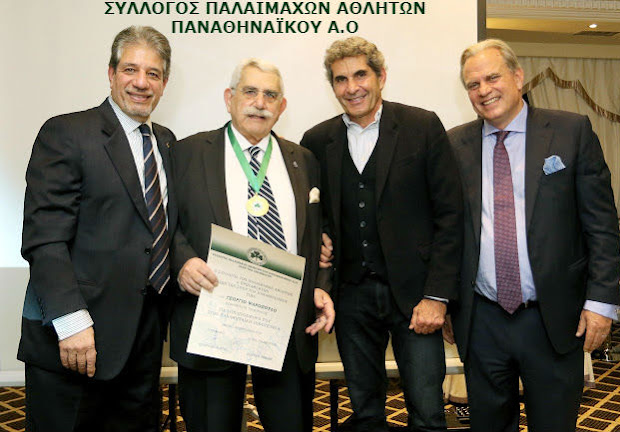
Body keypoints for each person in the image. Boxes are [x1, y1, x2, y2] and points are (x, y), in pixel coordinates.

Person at [446, 38, 620, 432]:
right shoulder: (455, 144)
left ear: (517, 76)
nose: (484, 90)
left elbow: (601, 224)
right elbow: (446, 230)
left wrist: (601, 302)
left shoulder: (570, 131)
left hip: (553, 316)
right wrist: (444, 298)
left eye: (492, 77)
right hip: (482, 319)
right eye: (473, 84)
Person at [301, 37, 463, 432]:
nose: (351, 87)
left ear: (381, 77)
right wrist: (321, 243)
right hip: (351, 298)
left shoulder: (422, 127)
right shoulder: (317, 140)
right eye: (341, 79)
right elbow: (318, 217)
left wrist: (437, 297)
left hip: (416, 299)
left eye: (361, 75)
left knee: (427, 412)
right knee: (366, 413)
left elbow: (450, 216)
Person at [19, 26, 176, 431]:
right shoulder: (68, 133)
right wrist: (70, 321)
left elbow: (163, 231)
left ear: (164, 83)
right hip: (75, 342)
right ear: (110, 73)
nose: (141, 82)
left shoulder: (166, 142)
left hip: (143, 344)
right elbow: (44, 238)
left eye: (154, 74)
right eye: (130, 70)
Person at [169, 58, 335, 432]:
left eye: (270, 95)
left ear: (282, 106)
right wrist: (182, 262)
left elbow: (318, 236)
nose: (260, 103)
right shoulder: (187, 153)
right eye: (250, 92)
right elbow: (164, 224)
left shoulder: (304, 160)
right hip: (212, 316)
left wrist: (321, 286)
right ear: (229, 98)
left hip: (286, 320)